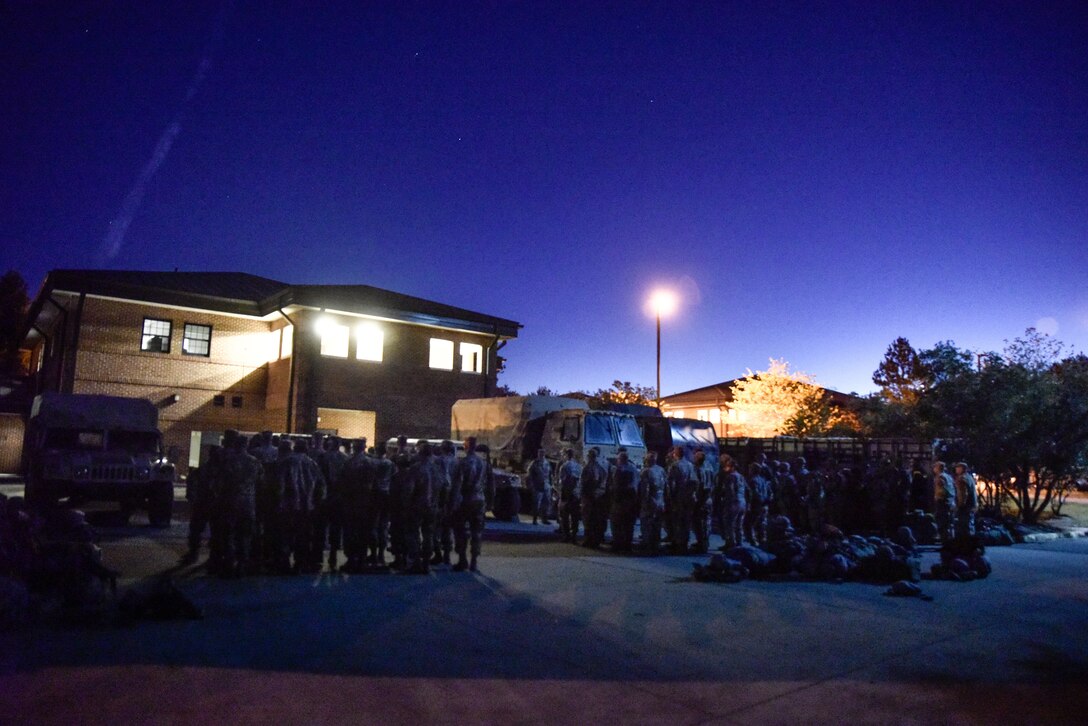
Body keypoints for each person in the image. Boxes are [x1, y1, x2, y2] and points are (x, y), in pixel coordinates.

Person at [219, 434, 263, 577]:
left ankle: (229, 562)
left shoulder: (227, 461)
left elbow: (219, 481)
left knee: (229, 533)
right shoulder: (254, 462)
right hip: (248, 503)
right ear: (247, 445)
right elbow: (261, 481)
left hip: (230, 501)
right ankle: (242, 564)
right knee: (245, 534)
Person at [450, 438, 492, 572]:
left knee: (460, 530)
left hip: (465, 499)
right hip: (479, 499)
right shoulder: (484, 463)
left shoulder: (462, 463)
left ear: (466, 446)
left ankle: (463, 559)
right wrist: (489, 502)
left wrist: (453, 502)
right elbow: (490, 485)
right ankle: (474, 561)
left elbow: (457, 484)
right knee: (477, 532)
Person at [182, 444, 221, 566]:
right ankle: (210, 556)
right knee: (213, 531)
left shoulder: (205, 468)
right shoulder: (219, 470)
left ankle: (195, 553)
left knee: (199, 530)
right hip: (210, 503)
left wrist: (191, 496)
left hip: (205, 503)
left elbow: (191, 482)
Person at [406, 442, 439, 574]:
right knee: (428, 534)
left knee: (413, 533)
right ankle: (426, 562)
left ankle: (415, 562)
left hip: (417, 505)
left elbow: (410, 489)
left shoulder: (416, 468)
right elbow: (445, 486)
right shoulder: (436, 469)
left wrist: (406, 503)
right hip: (432, 506)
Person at [341, 438, 372, 573]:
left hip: (351, 500)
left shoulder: (348, 461)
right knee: (363, 531)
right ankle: (361, 558)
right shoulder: (369, 462)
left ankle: (352, 559)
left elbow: (342, 480)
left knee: (351, 531)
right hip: (364, 501)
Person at [666, 446, 697, 554]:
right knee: (686, 522)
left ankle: (677, 544)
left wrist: (671, 498)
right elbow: (694, 481)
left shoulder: (675, 466)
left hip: (678, 497)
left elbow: (672, 484)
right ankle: (685, 543)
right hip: (688, 497)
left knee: (677, 521)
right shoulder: (690, 465)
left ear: (676, 454)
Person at [431, 440, 457, 566]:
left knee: (435, 528)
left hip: (442, 497)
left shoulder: (440, 461)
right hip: (455, 499)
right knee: (448, 528)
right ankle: (446, 555)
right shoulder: (458, 462)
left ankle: (438, 554)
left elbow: (441, 481)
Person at [608, 448, 639, 552]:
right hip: (631, 498)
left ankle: (618, 544)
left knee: (617, 522)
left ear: (620, 459)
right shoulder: (633, 468)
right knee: (628, 524)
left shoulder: (619, 470)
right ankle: (627, 544)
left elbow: (615, 485)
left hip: (620, 498)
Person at [369, 442, 395, 566]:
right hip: (387, 495)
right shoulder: (390, 463)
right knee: (383, 526)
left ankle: (374, 554)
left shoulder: (371, 463)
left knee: (373, 525)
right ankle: (381, 554)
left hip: (374, 495)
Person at [578, 447, 610, 548]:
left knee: (588, 518)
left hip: (589, 496)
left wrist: (583, 494)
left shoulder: (589, 467)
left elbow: (584, 482)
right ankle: (597, 539)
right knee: (596, 519)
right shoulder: (601, 466)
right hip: (599, 496)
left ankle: (589, 540)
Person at [638, 451, 666, 554]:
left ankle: (647, 545)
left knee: (646, 523)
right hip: (660, 500)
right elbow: (666, 486)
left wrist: (643, 501)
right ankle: (656, 544)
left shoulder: (646, 471)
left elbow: (645, 489)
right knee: (657, 524)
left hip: (650, 500)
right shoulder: (661, 470)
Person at [717, 455, 747, 549]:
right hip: (742, 502)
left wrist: (726, 500)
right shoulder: (741, 476)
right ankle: (739, 543)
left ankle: (730, 543)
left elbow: (730, 490)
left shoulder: (730, 477)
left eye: (727, 466)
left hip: (733, 502)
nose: (725, 468)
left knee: (730, 524)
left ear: (732, 467)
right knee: (739, 525)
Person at [556, 448, 582, 542]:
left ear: (567, 455)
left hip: (567, 494)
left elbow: (564, 481)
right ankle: (574, 535)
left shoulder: (565, 466)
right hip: (576, 494)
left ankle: (566, 536)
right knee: (575, 517)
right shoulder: (579, 466)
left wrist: (562, 495)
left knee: (564, 516)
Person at [691, 450, 714, 554]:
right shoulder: (710, 468)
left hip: (702, 498)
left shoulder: (699, 470)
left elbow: (701, 486)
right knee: (706, 522)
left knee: (700, 523)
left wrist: (698, 500)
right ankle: (704, 542)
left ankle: (702, 544)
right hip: (708, 498)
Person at [745, 462, 773, 546]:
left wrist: (755, 503)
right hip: (765, 506)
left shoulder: (752, 480)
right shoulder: (763, 480)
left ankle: (753, 542)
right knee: (761, 524)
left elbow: (755, 493)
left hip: (756, 505)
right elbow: (770, 492)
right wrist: (767, 501)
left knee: (749, 524)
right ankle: (763, 542)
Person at [526, 448, 553, 525]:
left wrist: (551, 484)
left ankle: (545, 519)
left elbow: (550, 474)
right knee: (536, 503)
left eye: (543, 453)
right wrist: (531, 484)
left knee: (546, 503)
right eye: (540, 453)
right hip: (537, 485)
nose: (541, 455)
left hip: (546, 485)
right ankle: (535, 519)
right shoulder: (535, 463)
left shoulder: (547, 463)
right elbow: (529, 474)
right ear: (538, 454)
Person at [933, 461, 957, 542]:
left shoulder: (940, 477)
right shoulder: (949, 477)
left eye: (935, 467)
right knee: (949, 522)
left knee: (942, 522)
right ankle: (949, 539)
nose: (934, 469)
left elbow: (942, 490)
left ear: (938, 468)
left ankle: (945, 541)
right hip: (950, 501)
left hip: (942, 502)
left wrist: (937, 497)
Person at [953, 462, 978, 537]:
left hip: (964, 507)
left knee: (963, 526)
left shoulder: (961, 479)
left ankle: (965, 544)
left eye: (957, 467)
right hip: (971, 505)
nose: (956, 469)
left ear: (962, 469)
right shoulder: (969, 477)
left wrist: (959, 505)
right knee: (969, 525)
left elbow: (962, 494)